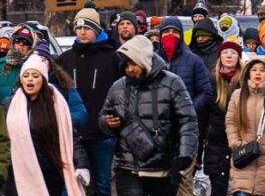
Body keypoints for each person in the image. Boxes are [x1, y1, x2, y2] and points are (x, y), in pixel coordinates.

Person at [101, 35, 199, 196]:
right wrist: (107, 123)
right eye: (126, 65)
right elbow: (103, 117)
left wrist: (184, 158)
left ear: (145, 60)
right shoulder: (118, 87)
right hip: (128, 166)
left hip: (163, 168)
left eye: (134, 63)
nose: (130, 69)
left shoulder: (172, 83)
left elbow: (188, 122)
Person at [3, 54, 89, 196]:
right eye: (26, 75)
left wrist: (82, 165)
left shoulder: (56, 103)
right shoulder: (10, 104)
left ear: (43, 80)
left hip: (49, 170)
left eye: (35, 76)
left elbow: (69, 136)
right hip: (18, 170)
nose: (30, 79)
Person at [58, 6, 123, 196]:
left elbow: (121, 92)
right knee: (73, 185)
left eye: (87, 28)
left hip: (102, 133)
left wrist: (115, 119)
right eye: (78, 28)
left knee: (102, 184)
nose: (82, 32)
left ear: (97, 29)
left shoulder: (113, 56)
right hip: (75, 134)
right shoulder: (65, 58)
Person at [156, 16, 213, 195]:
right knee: (159, 180)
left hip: (185, 131)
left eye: (174, 32)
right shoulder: (152, 60)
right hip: (158, 132)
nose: (170, 35)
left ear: (181, 35)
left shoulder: (193, 61)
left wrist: (187, 110)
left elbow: (206, 92)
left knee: (183, 181)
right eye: (166, 31)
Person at [225, 57, 265, 196]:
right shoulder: (238, 95)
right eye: (254, 70)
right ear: (248, 72)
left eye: (262, 70)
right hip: (244, 157)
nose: (258, 73)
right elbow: (230, 122)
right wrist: (236, 143)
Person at [203, 41, 243, 196]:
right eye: (225, 52)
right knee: (218, 188)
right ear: (220, 57)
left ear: (238, 58)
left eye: (233, 53)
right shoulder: (211, 81)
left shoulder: (245, 82)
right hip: (216, 144)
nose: (229, 56)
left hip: (239, 142)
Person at [0, 25, 33, 101]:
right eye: (17, 41)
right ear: (12, 42)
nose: (21, 44)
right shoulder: (1, 65)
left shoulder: (34, 66)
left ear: (30, 46)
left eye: (25, 42)